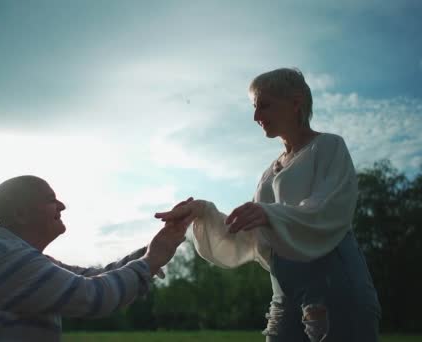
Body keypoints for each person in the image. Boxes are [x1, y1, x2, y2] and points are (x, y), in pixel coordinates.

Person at [155, 68, 381, 342]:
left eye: (264, 105)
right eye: (254, 107)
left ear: (296, 103)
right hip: (284, 294)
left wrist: (268, 213)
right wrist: (202, 211)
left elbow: (327, 209)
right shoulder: (268, 173)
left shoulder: (328, 147)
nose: (255, 117)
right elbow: (251, 234)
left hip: (333, 287)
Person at [0, 175, 191, 341]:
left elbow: (93, 276)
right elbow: (93, 296)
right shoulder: (5, 258)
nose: (62, 206)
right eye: (51, 200)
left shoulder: (18, 258)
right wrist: (151, 260)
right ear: (20, 213)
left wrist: (158, 245)